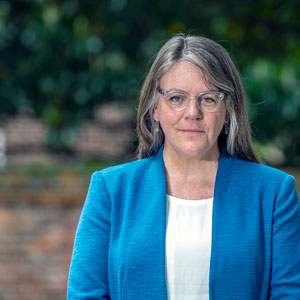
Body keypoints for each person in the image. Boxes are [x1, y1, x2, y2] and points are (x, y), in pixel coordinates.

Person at [67, 34, 300, 300]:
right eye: (177, 98)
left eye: (208, 99)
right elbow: (86, 295)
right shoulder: (111, 190)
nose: (193, 112)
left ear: (227, 112)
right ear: (155, 108)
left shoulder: (273, 194)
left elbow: (289, 294)